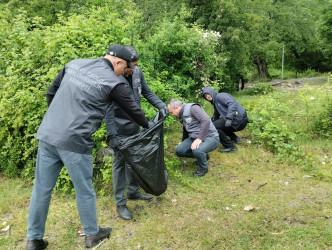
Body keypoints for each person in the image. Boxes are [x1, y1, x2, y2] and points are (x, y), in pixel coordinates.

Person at [25, 44, 152, 250]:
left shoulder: (73, 64)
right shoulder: (114, 82)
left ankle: (34, 240)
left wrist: (58, 122)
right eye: (128, 67)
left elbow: (51, 93)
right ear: (118, 62)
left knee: (41, 189)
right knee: (84, 190)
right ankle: (92, 235)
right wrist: (149, 125)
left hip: (48, 135)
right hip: (75, 141)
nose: (128, 72)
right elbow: (134, 111)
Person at [104, 45, 168, 220]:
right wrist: (112, 135)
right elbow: (108, 109)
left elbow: (146, 92)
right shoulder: (112, 77)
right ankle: (121, 203)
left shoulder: (137, 72)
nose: (132, 69)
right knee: (119, 165)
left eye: (135, 65)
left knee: (135, 161)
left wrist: (162, 106)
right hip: (119, 130)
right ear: (122, 63)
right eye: (130, 66)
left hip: (135, 127)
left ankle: (133, 192)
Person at [167, 98, 219, 177]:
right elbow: (186, 128)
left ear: (177, 108)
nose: (172, 114)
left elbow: (206, 121)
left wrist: (199, 139)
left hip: (211, 137)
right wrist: (183, 141)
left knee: (196, 149)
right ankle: (204, 156)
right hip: (194, 137)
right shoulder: (181, 115)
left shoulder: (192, 108)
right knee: (179, 150)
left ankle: (203, 168)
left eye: (172, 112)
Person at [201, 87, 249, 153]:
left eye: (208, 94)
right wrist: (209, 123)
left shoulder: (220, 96)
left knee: (214, 128)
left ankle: (231, 147)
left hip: (239, 120)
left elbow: (232, 104)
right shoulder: (216, 103)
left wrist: (229, 118)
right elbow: (216, 115)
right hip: (237, 121)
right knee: (215, 126)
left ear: (212, 92)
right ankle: (235, 138)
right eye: (205, 96)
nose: (208, 97)